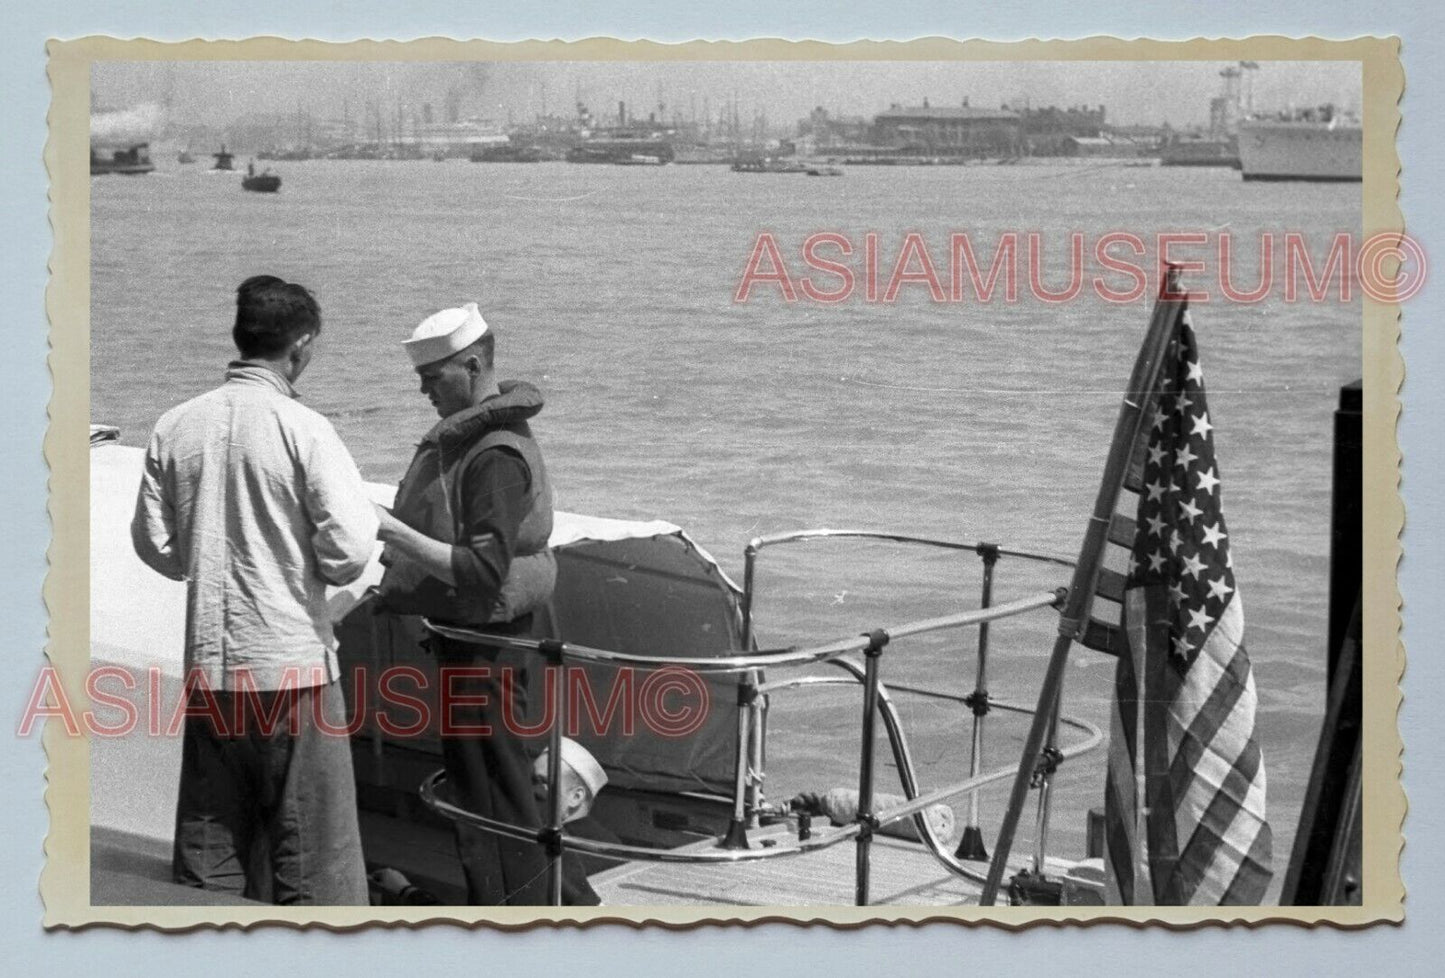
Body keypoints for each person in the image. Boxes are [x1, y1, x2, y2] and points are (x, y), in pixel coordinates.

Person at [130, 274, 378, 905]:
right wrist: (303, 566)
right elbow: (350, 550)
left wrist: (210, 557)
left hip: (212, 675)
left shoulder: (175, 425)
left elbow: (155, 545)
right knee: (316, 865)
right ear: (301, 346)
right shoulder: (306, 428)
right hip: (292, 674)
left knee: (210, 862)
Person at [372, 301, 595, 906]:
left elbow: (480, 569)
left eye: (431, 378)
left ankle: (540, 912)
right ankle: (548, 907)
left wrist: (392, 533)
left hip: (484, 654)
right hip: (479, 646)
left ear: (471, 365)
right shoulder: (486, 443)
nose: (423, 392)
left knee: (491, 798)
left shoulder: (494, 455)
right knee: (496, 786)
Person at [533, 738, 625, 894]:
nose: (534, 790)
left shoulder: (583, 851)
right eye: (532, 781)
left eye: (544, 782)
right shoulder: (611, 844)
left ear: (576, 797)